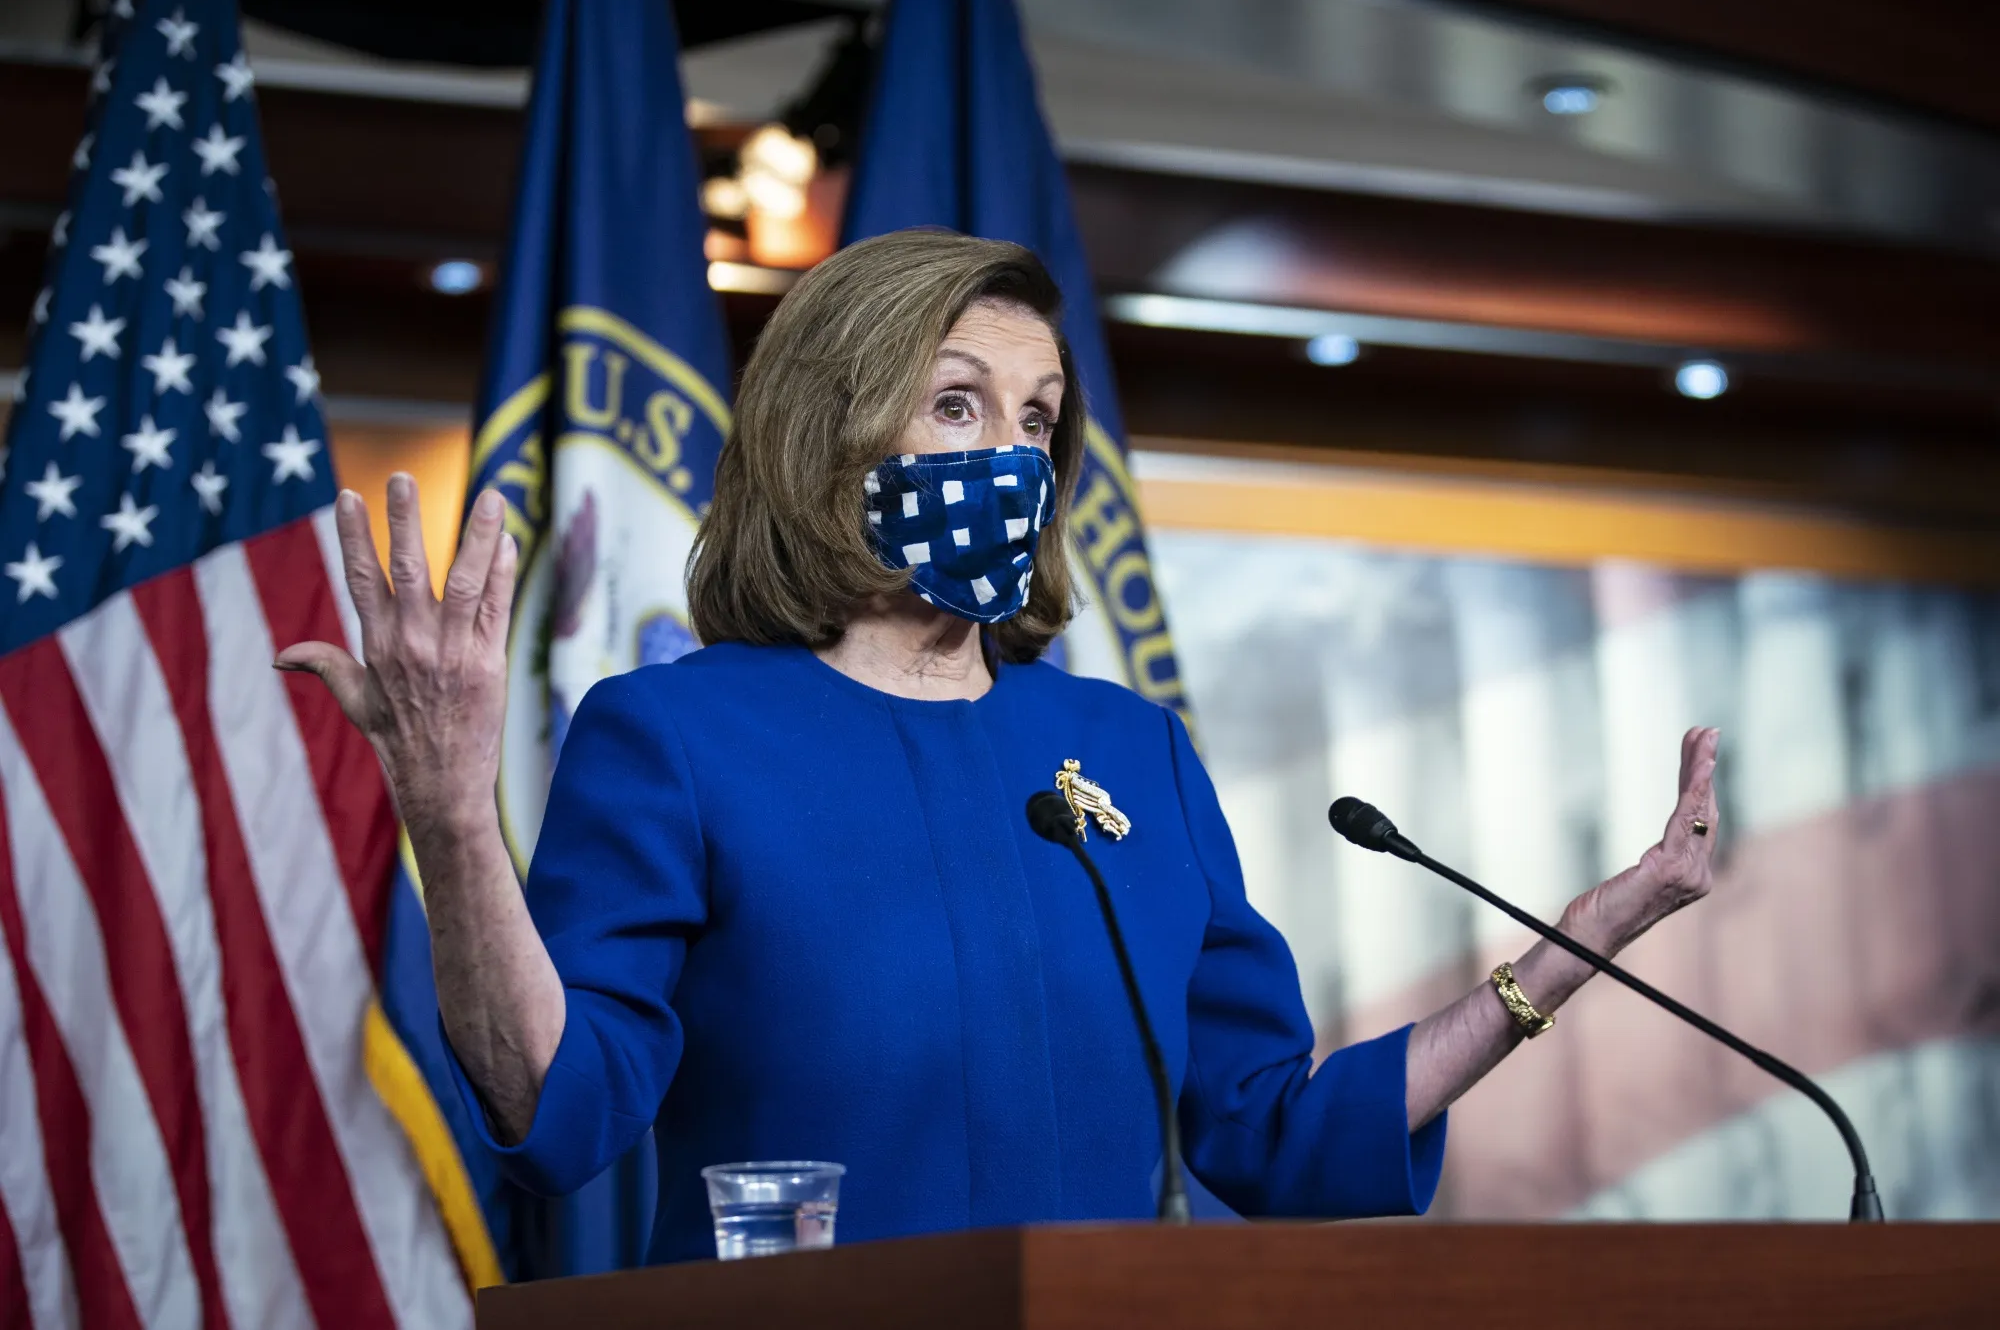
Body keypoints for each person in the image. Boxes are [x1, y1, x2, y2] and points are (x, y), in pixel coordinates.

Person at [279, 230, 1720, 1263]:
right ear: (829, 434)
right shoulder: (676, 734)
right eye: (957, 404)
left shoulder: (1126, 751)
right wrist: (456, 817)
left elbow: (1266, 1131)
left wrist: (1573, 949)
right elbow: (562, 1103)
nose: (1011, 459)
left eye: (1036, 422)